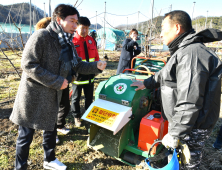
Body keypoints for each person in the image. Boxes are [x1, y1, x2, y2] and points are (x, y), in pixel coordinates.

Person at [10, 4, 106, 170]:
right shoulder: (41, 36)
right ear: (59, 20)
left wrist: (97, 66)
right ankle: (20, 166)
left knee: (51, 129)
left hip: (53, 95)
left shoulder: (67, 42)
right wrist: (56, 80)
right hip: (33, 95)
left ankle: (49, 159)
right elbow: (28, 64)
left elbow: (78, 65)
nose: (75, 26)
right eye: (72, 21)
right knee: (26, 135)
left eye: (77, 22)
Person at [131, 10, 222, 169]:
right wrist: (146, 83)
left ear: (177, 28)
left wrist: (175, 133)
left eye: (163, 28)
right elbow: (165, 74)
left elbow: (189, 100)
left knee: (188, 163)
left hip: (192, 126)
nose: (160, 33)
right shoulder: (184, 51)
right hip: (187, 124)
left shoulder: (192, 55)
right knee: (181, 159)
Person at [36, 17, 70, 144]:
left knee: (63, 106)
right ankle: (51, 134)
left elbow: (68, 62)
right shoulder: (41, 39)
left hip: (63, 81)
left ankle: (58, 127)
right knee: (49, 111)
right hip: (49, 83)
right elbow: (31, 65)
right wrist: (54, 80)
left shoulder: (63, 42)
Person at [71, 17, 100, 127]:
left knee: (89, 97)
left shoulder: (91, 40)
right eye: (82, 28)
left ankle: (88, 115)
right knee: (76, 98)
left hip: (90, 75)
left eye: (87, 28)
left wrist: (97, 68)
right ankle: (76, 116)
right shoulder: (72, 41)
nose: (85, 31)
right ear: (77, 27)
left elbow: (96, 55)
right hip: (77, 76)